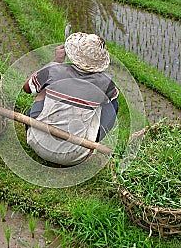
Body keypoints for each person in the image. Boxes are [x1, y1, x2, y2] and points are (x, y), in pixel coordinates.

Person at [23, 32, 119, 166]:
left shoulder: (54, 70)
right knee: (112, 102)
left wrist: (55, 61)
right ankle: (91, 144)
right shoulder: (106, 81)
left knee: (43, 91)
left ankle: (39, 129)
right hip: (75, 156)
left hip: (37, 143)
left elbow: (27, 88)